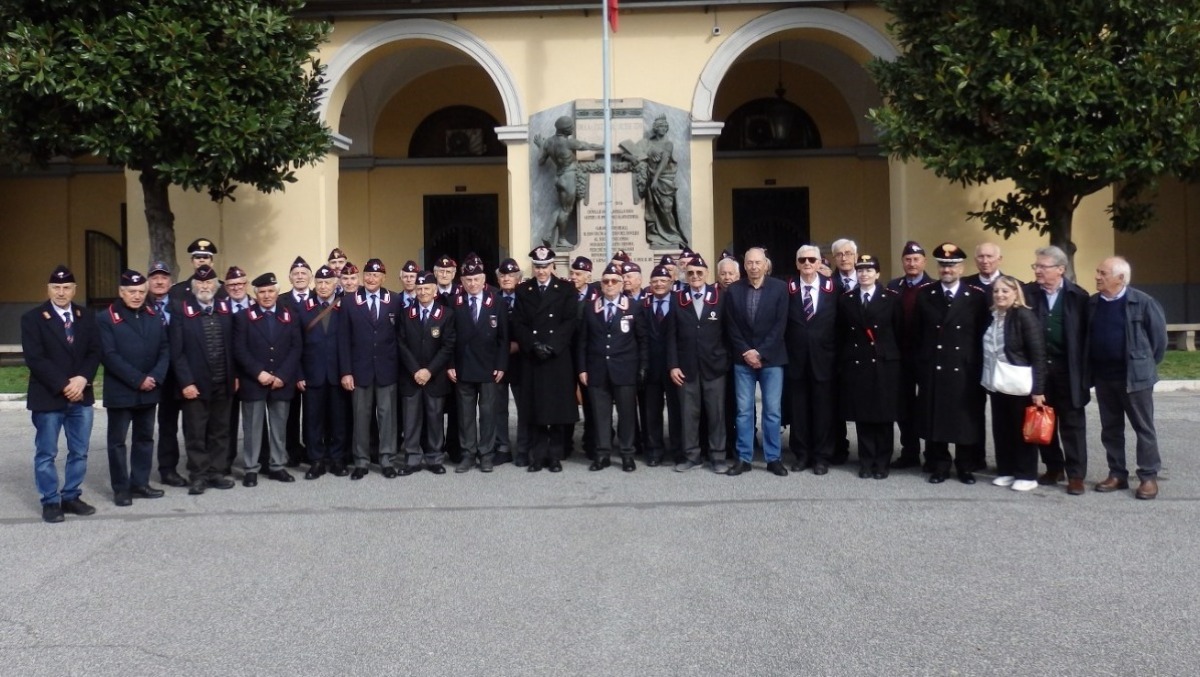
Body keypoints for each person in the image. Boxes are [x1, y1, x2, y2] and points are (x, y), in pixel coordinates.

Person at [22, 265, 102, 523]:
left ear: (74, 290)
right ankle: (50, 501)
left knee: (79, 451)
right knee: (46, 453)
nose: (61, 292)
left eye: (66, 287)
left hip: (81, 395)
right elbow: (36, 358)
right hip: (49, 396)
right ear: (48, 289)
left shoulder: (86, 316)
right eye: (56, 287)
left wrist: (81, 379)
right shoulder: (33, 318)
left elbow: (94, 352)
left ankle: (71, 496)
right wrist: (64, 385)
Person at [1088, 257, 1167, 500]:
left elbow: (1159, 342)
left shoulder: (1142, 302)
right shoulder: (1092, 304)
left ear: (1120, 278)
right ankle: (1117, 474)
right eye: (1098, 271)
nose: (1097, 276)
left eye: (1103, 273)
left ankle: (1148, 478)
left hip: (1135, 379)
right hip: (1104, 378)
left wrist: (1142, 365)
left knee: (1143, 428)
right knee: (1110, 429)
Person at [914, 243, 989, 484]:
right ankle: (940, 465)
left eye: (953, 265)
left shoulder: (976, 296)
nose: (948, 269)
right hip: (935, 366)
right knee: (936, 417)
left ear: (962, 267)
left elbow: (982, 334)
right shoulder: (926, 294)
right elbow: (918, 331)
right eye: (944, 265)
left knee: (964, 419)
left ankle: (965, 466)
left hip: (964, 367)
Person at [97, 269, 169, 506]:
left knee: (145, 438)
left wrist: (155, 377)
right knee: (117, 442)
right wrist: (138, 379)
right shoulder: (106, 318)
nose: (137, 296)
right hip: (122, 391)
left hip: (150, 389)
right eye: (131, 291)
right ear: (121, 292)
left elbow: (164, 349)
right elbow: (109, 355)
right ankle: (121, 488)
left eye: (140, 291)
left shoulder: (153, 314)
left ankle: (140, 483)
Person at [1023, 246, 1091, 495]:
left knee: (1072, 423)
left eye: (1043, 266)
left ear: (1060, 269)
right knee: (1042, 419)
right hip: (1039, 369)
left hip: (1068, 370)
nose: (1038, 270)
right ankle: (1054, 467)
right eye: (1036, 266)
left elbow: (1086, 338)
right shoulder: (1028, 294)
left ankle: (1076, 474)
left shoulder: (1078, 296)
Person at [169, 265, 237, 495]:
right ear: (194, 287)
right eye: (200, 284)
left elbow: (233, 346)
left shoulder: (225, 310)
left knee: (220, 430)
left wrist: (233, 376)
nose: (205, 287)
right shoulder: (181, 310)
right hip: (195, 385)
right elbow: (176, 352)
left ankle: (216, 472)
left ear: (216, 287)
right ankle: (198, 475)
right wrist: (186, 382)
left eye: (209, 283)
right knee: (196, 433)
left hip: (222, 380)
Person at [510, 246, 578, 472]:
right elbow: (518, 323)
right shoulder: (523, 290)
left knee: (557, 408)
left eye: (545, 266)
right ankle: (538, 455)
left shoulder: (566, 289)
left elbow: (570, 321)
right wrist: (532, 344)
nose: (541, 271)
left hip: (556, 356)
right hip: (533, 357)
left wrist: (552, 345)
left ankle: (555, 455)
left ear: (553, 266)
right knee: (536, 408)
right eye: (538, 267)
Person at [836, 255, 903, 479]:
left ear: (878, 274)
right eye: (861, 270)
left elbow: (899, 332)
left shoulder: (891, 298)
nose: (864, 274)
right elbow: (842, 332)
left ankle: (882, 462)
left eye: (869, 270)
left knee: (884, 416)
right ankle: (866, 461)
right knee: (863, 416)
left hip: (884, 364)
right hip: (858, 363)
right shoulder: (847, 299)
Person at [724, 247, 789, 476]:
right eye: (749, 262)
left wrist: (760, 353)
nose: (753, 266)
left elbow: (780, 325)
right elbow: (731, 325)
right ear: (744, 265)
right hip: (743, 361)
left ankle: (773, 458)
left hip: (772, 360)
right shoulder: (733, 290)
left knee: (772, 411)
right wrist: (747, 352)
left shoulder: (780, 288)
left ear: (765, 264)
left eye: (757, 262)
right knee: (743, 411)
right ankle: (744, 458)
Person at [233, 272, 302, 487]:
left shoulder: (289, 315)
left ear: (277, 292)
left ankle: (277, 466)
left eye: (270, 291)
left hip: (282, 381)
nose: (266, 295)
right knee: (253, 428)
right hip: (254, 381)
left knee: (279, 426)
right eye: (262, 292)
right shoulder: (244, 317)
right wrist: (258, 372)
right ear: (255, 294)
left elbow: (296, 347)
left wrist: (282, 375)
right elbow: (240, 349)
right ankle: (251, 469)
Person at [578, 263, 649, 471]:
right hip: (597, 369)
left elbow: (643, 340)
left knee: (627, 414)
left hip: (625, 370)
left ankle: (627, 454)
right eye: (606, 281)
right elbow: (583, 341)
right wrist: (582, 368)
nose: (609, 285)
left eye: (614, 281)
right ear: (601, 284)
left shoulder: (634, 307)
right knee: (600, 415)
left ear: (621, 284)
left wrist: (643, 366)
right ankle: (602, 454)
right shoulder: (591, 307)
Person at [981, 276, 1047, 492]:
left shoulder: (1024, 316)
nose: (1000, 295)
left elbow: (1038, 354)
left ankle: (1026, 474)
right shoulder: (994, 316)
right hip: (997, 382)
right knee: (1002, 429)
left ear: (1016, 293)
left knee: (1022, 430)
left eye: (1005, 291)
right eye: (996, 291)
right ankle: (1006, 470)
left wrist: (1038, 389)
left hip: (1019, 382)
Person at [339, 258, 404, 480]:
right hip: (360, 371)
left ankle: (387, 459)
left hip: (387, 369)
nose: (371, 278)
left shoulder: (394, 300)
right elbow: (343, 339)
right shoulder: (349, 302)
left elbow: (400, 338)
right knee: (361, 417)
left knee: (388, 417)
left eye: (376, 275)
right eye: (367, 274)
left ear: (383, 278)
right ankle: (361, 461)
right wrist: (346, 371)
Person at [667, 253, 730, 472]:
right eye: (691, 273)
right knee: (688, 415)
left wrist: (725, 361)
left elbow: (728, 333)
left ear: (707, 274)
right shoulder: (677, 299)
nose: (694, 276)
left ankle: (718, 455)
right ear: (685, 274)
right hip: (686, 368)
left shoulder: (720, 297)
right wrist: (673, 365)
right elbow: (671, 336)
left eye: (699, 273)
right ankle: (691, 455)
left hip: (714, 367)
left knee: (716, 414)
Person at [784, 244, 840, 475]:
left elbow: (841, 325)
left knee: (823, 411)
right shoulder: (787, 289)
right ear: (797, 264)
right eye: (803, 260)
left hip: (824, 360)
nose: (807, 264)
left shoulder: (832, 289)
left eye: (811, 260)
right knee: (799, 411)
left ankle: (821, 456)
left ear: (819, 263)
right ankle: (801, 454)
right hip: (796, 360)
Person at [449, 255, 507, 473]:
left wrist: (501, 365)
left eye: (476, 279)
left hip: (489, 367)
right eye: (468, 280)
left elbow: (503, 337)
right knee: (465, 415)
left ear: (484, 280)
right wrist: (451, 364)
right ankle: (468, 454)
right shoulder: (455, 303)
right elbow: (450, 338)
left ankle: (486, 454)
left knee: (488, 413)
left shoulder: (497, 301)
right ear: (462, 282)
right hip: (463, 367)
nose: (472, 284)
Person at [398, 271, 457, 475]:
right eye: (419, 288)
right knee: (411, 420)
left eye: (426, 289)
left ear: (434, 291)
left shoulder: (446, 314)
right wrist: (416, 370)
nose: (422, 292)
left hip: (435, 377)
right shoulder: (406, 314)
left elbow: (448, 346)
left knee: (435, 418)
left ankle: (434, 458)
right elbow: (401, 344)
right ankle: (412, 458)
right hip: (411, 376)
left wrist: (429, 371)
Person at [297, 265, 349, 478]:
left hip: (337, 374)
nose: (323, 286)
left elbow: (348, 342)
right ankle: (316, 460)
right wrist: (299, 374)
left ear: (335, 285)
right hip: (312, 374)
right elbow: (296, 345)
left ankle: (337, 459)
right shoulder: (303, 308)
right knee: (313, 420)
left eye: (327, 283)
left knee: (339, 419)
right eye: (319, 283)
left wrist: (347, 372)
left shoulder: (343, 307)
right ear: (314, 285)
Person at [886, 241, 933, 470]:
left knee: (928, 405)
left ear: (924, 261)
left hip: (925, 357)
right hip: (901, 357)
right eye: (907, 259)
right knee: (903, 406)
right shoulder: (894, 286)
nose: (912, 263)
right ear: (902, 262)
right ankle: (910, 451)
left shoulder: (933, 286)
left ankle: (932, 453)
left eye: (916, 259)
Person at [533, 115, 605, 248]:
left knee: (561, 208)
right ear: (565, 130)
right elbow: (587, 146)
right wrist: (603, 146)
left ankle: (548, 233)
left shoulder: (548, 142)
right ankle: (561, 239)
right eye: (570, 127)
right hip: (569, 177)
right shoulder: (568, 142)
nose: (572, 128)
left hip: (559, 177)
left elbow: (541, 161)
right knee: (566, 210)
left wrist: (541, 146)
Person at [147, 260, 188, 487]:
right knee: (156, 425)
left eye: (163, 277)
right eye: (155, 278)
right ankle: (155, 470)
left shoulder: (181, 305)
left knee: (174, 424)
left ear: (171, 282)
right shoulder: (140, 305)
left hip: (178, 374)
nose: (159, 281)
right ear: (148, 282)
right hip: (152, 374)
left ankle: (175, 468)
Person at [639, 264, 681, 466]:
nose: (659, 284)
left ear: (671, 283)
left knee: (676, 411)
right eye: (655, 281)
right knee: (651, 411)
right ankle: (654, 450)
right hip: (651, 368)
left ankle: (677, 449)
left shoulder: (680, 303)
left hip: (674, 367)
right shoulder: (643, 305)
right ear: (650, 284)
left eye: (663, 281)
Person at [627, 115, 688, 249]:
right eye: (660, 126)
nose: (662, 128)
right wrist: (640, 157)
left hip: (664, 180)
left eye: (664, 126)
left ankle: (672, 235)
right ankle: (656, 234)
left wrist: (655, 179)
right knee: (653, 209)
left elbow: (664, 161)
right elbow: (628, 153)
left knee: (666, 209)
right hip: (651, 179)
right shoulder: (647, 143)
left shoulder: (668, 144)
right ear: (655, 128)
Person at [280, 256, 313, 468]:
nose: (300, 277)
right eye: (296, 274)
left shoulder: (319, 298)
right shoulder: (281, 300)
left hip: (313, 366)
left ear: (310, 277)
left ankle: (312, 449)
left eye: (303, 274)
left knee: (312, 412)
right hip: (290, 366)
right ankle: (292, 449)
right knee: (290, 413)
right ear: (290, 278)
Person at [493, 258, 525, 465]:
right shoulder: (493, 299)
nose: (507, 279)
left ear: (518, 278)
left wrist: (520, 344)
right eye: (503, 276)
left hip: (521, 360)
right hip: (497, 360)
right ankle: (502, 446)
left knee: (524, 406)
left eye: (511, 275)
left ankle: (523, 447)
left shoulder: (526, 298)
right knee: (498, 407)